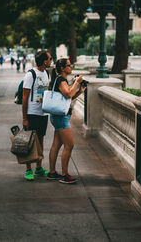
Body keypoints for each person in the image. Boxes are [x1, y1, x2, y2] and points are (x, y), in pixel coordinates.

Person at [47, 58, 85, 184]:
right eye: (69, 65)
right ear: (62, 68)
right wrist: (77, 82)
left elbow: (68, 98)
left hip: (58, 116)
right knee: (69, 145)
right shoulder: (61, 80)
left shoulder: (60, 80)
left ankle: (52, 172)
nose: (71, 67)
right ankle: (65, 175)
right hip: (61, 118)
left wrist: (79, 91)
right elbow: (68, 94)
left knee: (56, 145)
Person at [22, 50, 52, 181]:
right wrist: (24, 118)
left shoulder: (46, 73)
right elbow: (24, 97)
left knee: (40, 140)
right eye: (50, 59)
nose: (51, 61)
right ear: (45, 61)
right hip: (32, 113)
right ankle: (28, 169)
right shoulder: (30, 74)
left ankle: (39, 167)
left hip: (43, 112)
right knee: (29, 142)